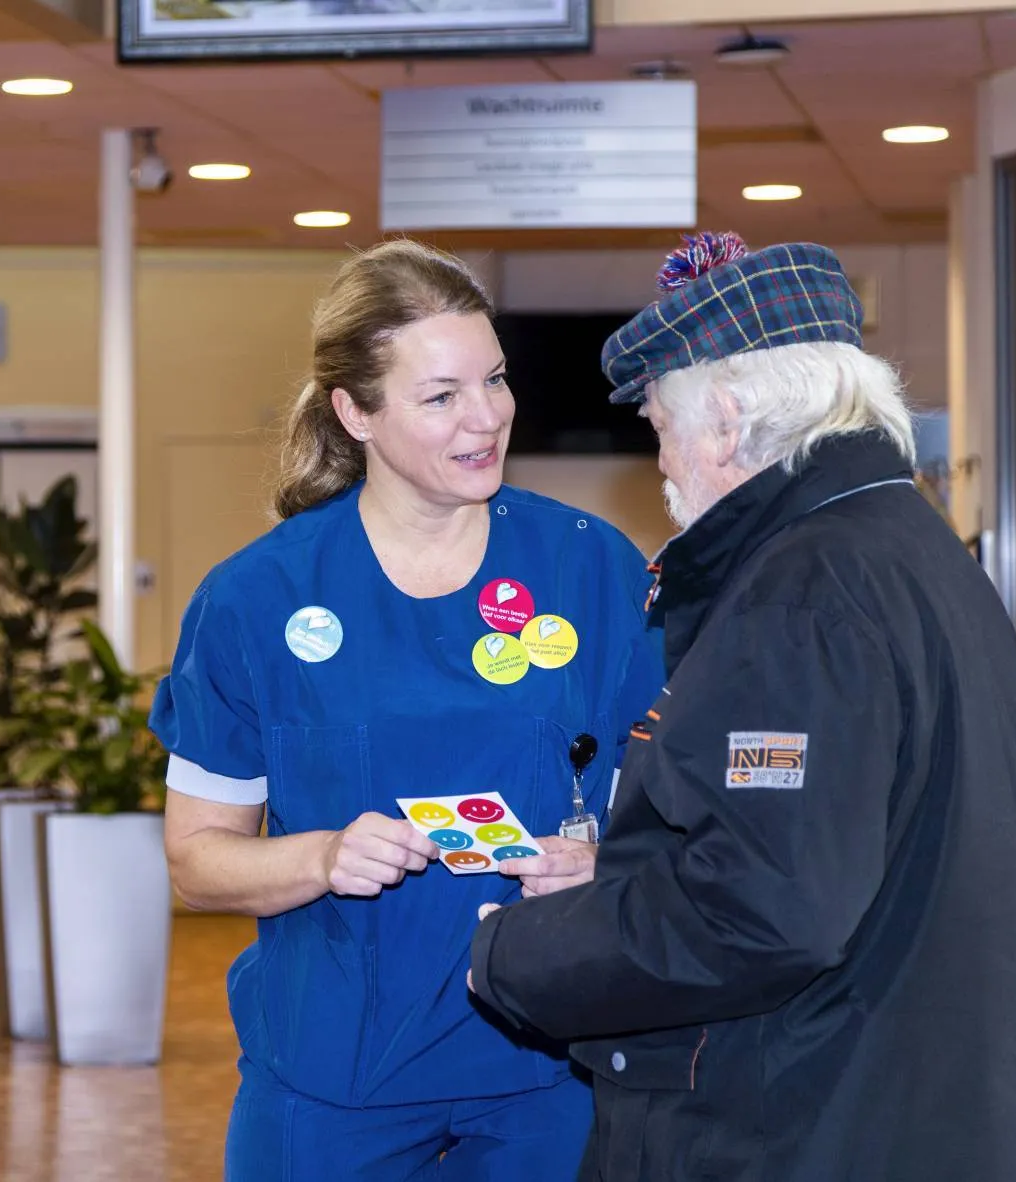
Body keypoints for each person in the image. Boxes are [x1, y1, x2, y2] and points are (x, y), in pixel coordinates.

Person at [467, 231, 1016, 1181]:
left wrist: (515, 955)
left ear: (728, 419)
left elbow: (761, 916)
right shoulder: (924, 554)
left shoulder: (801, 594)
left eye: (661, 425)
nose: (659, 463)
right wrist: (626, 875)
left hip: (798, 1133)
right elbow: (1004, 880)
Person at [149, 238, 665, 1181]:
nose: (487, 419)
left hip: (546, 1074)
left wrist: (605, 862)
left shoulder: (592, 569)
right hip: (330, 1083)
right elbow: (197, 860)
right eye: (441, 396)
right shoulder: (254, 601)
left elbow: (680, 813)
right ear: (355, 414)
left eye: (495, 381)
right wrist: (321, 856)